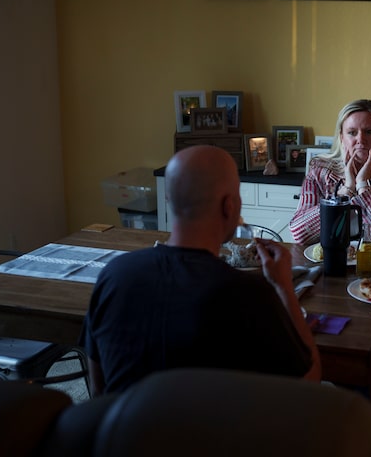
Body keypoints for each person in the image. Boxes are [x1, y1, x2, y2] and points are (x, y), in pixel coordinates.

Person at [80, 146, 321, 396]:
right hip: (211, 435)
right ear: (230, 206)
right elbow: (309, 381)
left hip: (121, 432)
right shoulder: (249, 295)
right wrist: (283, 286)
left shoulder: (113, 275)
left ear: (168, 200)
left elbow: (98, 390)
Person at [289, 99, 371, 246]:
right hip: (333, 262)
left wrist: (363, 186)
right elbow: (299, 234)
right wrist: (346, 190)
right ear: (342, 137)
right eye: (352, 132)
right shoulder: (319, 172)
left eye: (369, 132)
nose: (361, 140)